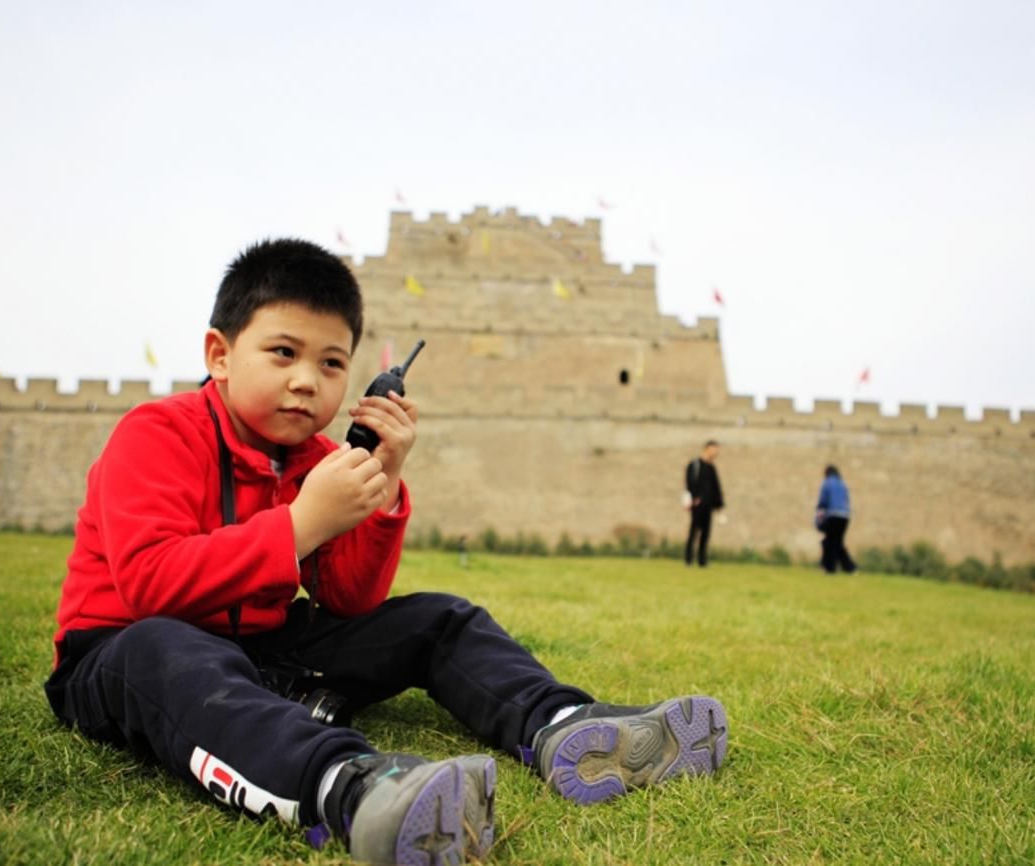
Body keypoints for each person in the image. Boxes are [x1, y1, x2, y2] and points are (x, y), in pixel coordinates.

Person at [43, 239, 728, 866]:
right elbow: (147, 586)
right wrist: (300, 523)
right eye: (283, 353)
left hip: (264, 645)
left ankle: (559, 723)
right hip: (124, 651)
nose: (307, 381)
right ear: (219, 355)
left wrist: (383, 487)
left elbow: (349, 600)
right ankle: (354, 788)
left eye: (331, 363)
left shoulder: (318, 457)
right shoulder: (157, 433)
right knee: (166, 646)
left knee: (438, 618)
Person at [684, 440, 725, 566]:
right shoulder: (695, 464)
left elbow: (716, 487)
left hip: (709, 505)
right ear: (707, 449)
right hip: (697, 504)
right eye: (714, 449)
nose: (716, 452)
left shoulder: (712, 468)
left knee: (706, 533)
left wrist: (719, 505)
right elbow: (689, 481)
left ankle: (702, 560)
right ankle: (689, 558)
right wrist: (695, 497)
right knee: (694, 531)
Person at [815, 465, 856, 574]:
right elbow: (846, 500)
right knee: (837, 543)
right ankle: (849, 568)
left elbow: (822, 502)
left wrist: (819, 517)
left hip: (833, 515)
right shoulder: (842, 484)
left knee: (830, 542)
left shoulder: (827, 483)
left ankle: (831, 568)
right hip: (845, 516)